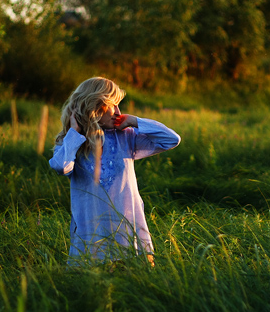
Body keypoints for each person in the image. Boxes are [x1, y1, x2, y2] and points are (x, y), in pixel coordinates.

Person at [49, 77, 180, 267]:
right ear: (95, 106)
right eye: (113, 105)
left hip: (129, 234)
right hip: (90, 237)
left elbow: (171, 139)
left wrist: (134, 121)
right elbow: (61, 166)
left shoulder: (126, 137)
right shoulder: (71, 141)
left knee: (136, 288)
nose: (118, 112)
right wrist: (75, 132)